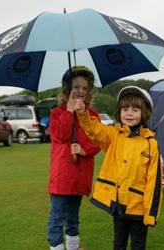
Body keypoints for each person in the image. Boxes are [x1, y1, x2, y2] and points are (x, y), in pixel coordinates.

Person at [75, 86, 163, 250]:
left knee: (138, 245)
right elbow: (95, 131)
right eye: (125, 109)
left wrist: (151, 213)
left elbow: (154, 181)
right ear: (119, 112)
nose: (129, 113)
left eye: (135, 110)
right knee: (119, 243)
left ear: (144, 113)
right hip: (118, 203)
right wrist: (83, 114)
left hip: (138, 205)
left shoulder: (151, 144)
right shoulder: (113, 135)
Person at [47, 66, 101, 250]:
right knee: (57, 216)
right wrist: (69, 110)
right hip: (62, 175)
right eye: (76, 87)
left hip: (81, 173)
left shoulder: (93, 115)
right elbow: (59, 135)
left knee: (73, 215)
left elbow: (98, 139)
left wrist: (84, 151)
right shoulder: (57, 113)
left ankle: (72, 246)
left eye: (85, 88)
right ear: (67, 89)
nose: (81, 91)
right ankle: (56, 247)